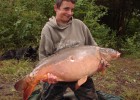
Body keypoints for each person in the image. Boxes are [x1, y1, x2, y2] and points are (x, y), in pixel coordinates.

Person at [39, 0, 99, 100]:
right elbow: (44, 58)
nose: (70, 13)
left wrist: (98, 63)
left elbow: (94, 49)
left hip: (80, 73)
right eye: (66, 9)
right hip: (57, 75)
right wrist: (48, 76)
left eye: (72, 9)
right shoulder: (48, 29)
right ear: (56, 8)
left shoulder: (80, 25)